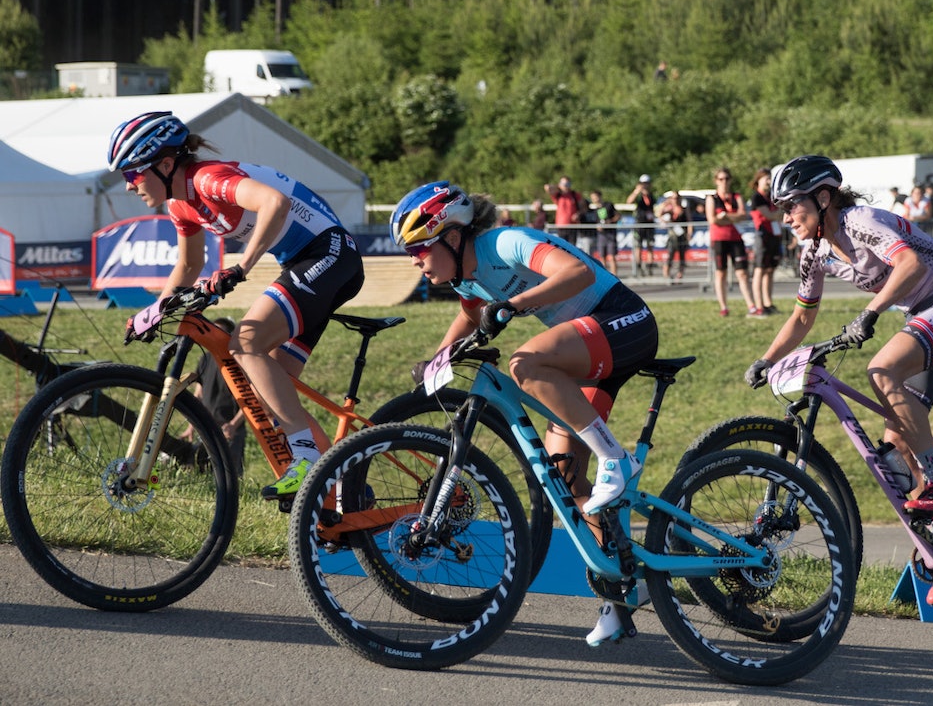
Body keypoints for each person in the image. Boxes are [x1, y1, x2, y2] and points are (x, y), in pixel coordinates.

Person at [393, 181, 659, 646]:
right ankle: (621, 594)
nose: (414, 260)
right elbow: (473, 317)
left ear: (453, 237)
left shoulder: (505, 242)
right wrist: (437, 359)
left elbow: (575, 274)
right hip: (584, 349)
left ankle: (616, 459)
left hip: (623, 321)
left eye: (419, 248)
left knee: (525, 364)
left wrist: (512, 306)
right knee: (565, 478)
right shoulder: (468, 276)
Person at [109, 111, 365, 500]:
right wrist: (154, 311)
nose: (129, 187)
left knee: (245, 342)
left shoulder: (207, 179)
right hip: (308, 261)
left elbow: (274, 202)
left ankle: (308, 459)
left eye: (132, 174)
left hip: (328, 252)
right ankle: (343, 491)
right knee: (269, 388)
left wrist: (241, 266)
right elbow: (190, 264)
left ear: (164, 165)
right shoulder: (181, 204)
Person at [744, 156, 933, 539]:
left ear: (823, 198)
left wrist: (870, 313)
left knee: (880, 370)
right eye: (783, 209)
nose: (786, 217)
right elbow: (802, 318)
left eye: (792, 206)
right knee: (895, 451)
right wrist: (767, 360)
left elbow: (911, 266)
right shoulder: (814, 253)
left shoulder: (861, 222)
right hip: (919, 316)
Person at [190, 316, 248, 476]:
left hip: (230, 430)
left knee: (231, 475)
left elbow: (250, 401)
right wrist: (191, 425)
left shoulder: (238, 362)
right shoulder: (205, 359)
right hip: (207, 427)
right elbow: (198, 394)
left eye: (218, 332)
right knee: (202, 473)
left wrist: (233, 425)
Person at [706, 167, 762, 317]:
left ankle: (751, 305)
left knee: (742, 273)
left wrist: (725, 217)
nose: (724, 182)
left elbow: (743, 215)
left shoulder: (736, 197)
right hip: (719, 239)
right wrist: (732, 217)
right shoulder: (712, 198)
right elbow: (713, 220)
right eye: (721, 179)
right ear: (716, 181)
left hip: (736, 238)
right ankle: (723, 306)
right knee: (721, 273)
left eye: (726, 179)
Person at [748, 168, 783, 315]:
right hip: (762, 236)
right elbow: (769, 215)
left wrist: (779, 213)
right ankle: (759, 305)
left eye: (770, 178)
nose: (769, 181)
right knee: (760, 270)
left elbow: (779, 214)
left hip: (774, 236)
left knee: (770, 270)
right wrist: (780, 213)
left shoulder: (771, 196)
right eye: (766, 179)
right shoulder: (757, 197)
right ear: (758, 181)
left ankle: (768, 303)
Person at [626, 174, 658, 276]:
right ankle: (638, 267)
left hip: (649, 224)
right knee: (638, 246)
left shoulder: (651, 195)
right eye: (643, 184)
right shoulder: (639, 195)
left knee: (650, 246)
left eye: (647, 184)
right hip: (639, 224)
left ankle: (649, 267)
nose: (645, 185)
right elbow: (629, 201)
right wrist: (637, 191)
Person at [659, 189, 692, 283]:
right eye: (673, 198)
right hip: (672, 236)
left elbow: (689, 222)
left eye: (677, 198)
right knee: (670, 254)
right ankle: (667, 274)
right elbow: (659, 214)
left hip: (682, 235)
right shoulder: (669, 209)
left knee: (682, 256)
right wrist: (665, 205)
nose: (675, 200)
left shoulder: (684, 210)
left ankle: (680, 275)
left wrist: (689, 233)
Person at [543, 176, 585, 242]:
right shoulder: (557, 195)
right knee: (562, 247)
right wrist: (558, 187)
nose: (566, 186)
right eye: (564, 184)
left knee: (572, 248)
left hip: (572, 226)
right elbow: (547, 187)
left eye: (568, 184)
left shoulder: (575, 195)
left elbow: (583, 207)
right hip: (561, 226)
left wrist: (578, 214)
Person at [588, 189, 620, 275]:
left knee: (612, 256)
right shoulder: (594, 210)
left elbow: (618, 216)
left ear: (599, 196)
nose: (594, 199)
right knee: (602, 257)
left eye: (595, 197)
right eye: (592, 198)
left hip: (611, 234)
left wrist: (610, 221)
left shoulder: (608, 205)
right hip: (601, 235)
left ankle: (614, 276)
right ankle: (605, 276)